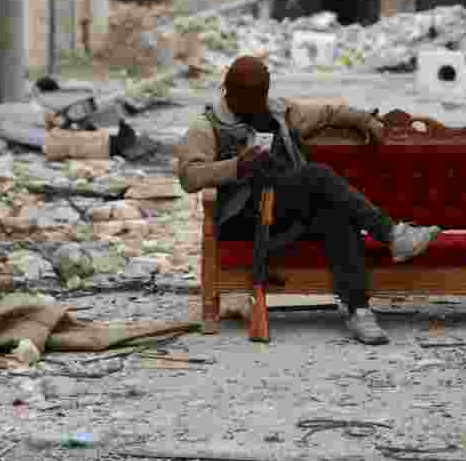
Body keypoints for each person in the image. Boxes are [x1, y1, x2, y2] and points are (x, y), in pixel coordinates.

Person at [175, 55, 442, 345]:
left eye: (260, 97)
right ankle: (391, 233)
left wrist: (365, 120)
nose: (256, 104)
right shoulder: (207, 126)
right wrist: (236, 167)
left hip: (285, 212)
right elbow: (189, 177)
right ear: (229, 92)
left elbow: (328, 113)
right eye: (248, 98)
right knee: (317, 176)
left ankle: (359, 311)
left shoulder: (280, 114)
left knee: (337, 213)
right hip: (244, 219)